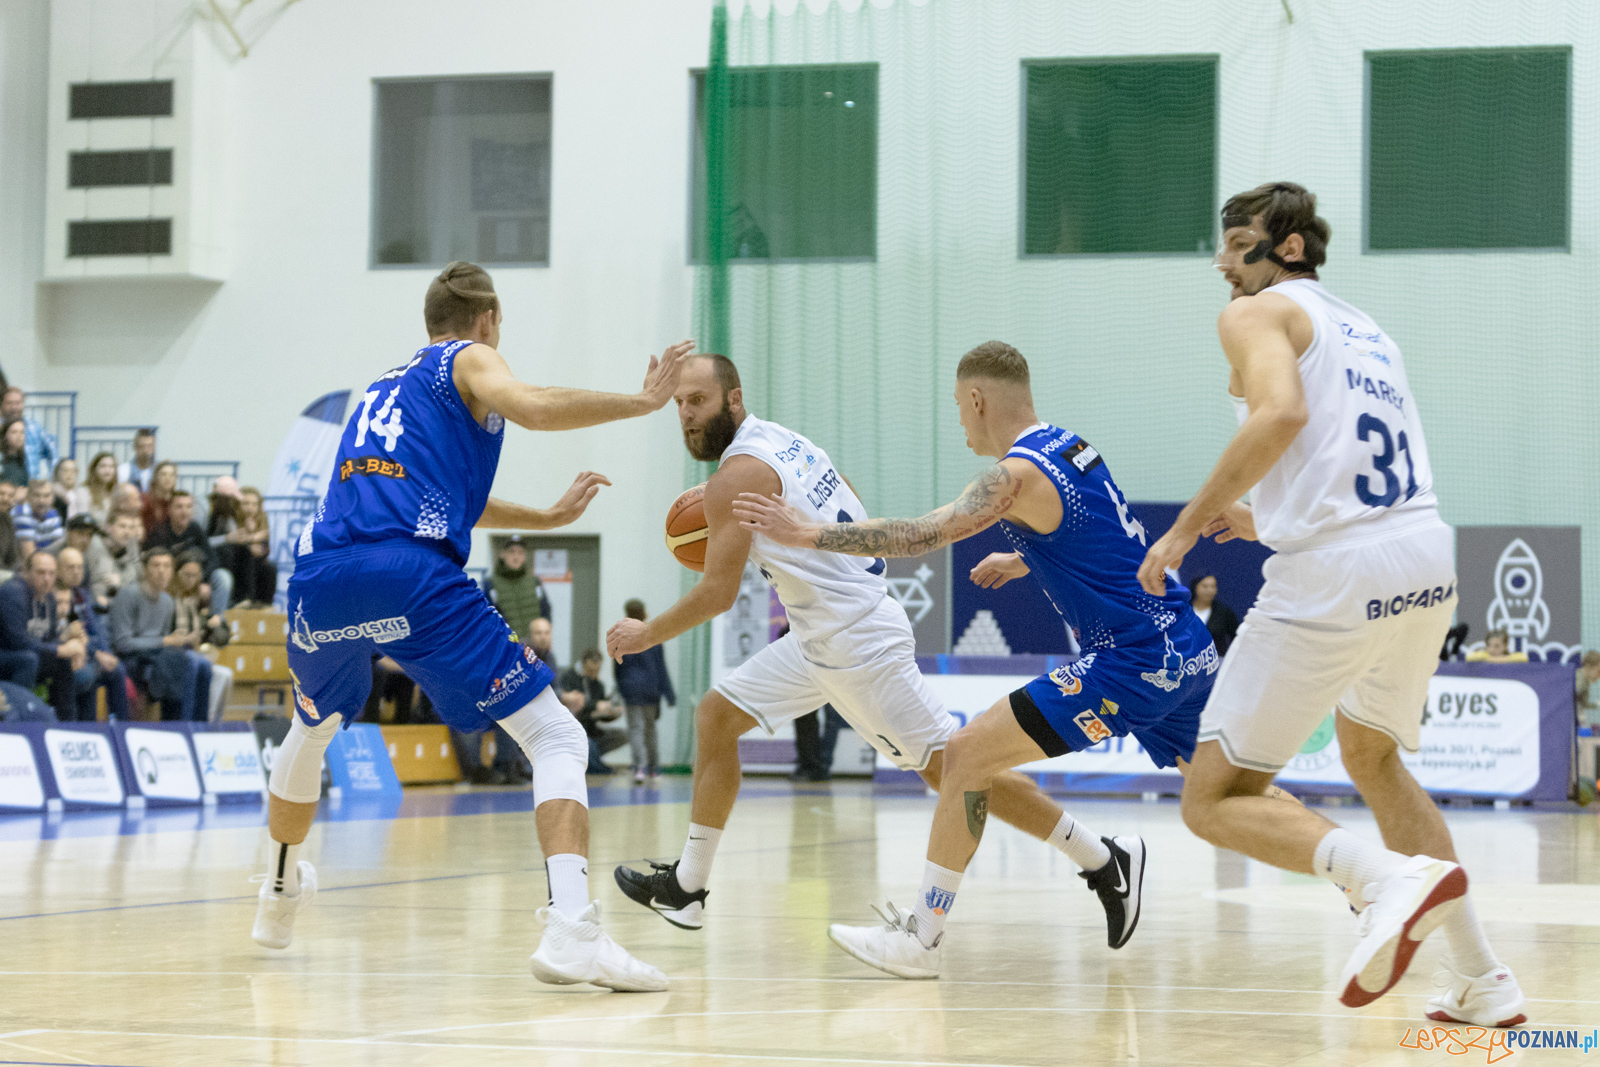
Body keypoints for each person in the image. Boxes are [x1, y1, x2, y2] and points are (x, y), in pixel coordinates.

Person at [1136, 182, 1524, 1026]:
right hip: (1422, 553)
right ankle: (1483, 977)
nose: (1222, 260)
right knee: (1373, 758)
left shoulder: (1255, 314)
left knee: (1212, 797)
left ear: (1291, 249)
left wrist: (1184, 529)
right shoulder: (1366, 328)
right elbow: (1326, 454)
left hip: (1336, 574)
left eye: (1238, 241)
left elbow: (1281, 413)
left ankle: (1385, 878)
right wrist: (1256, 515)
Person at [608, 353, 1129, 964]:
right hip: (819, 634)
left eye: (696, 400)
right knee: (718, 716)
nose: (686, 414)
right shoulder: (784, 441)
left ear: (733, 399)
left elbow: (718, 594)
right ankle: (688, 887)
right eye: (679, 404)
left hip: (854, 643)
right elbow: (848, 495)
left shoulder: (734, 478)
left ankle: (1100, 858)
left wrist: (648, 634)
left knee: (953, 771)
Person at [259, 259, 691, 992]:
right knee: (556, 734)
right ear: (487, 320)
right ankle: (572, 929)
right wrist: (641, 401)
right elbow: (533, 404)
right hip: (411, 577)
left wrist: (547, 517)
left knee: (313, 725)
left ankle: (275, 898)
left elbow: (443, 499)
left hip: (322, 580)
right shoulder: (470, 357)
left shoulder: (381, 392)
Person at [734, 342, 1217, 976]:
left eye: (959, 408)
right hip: (1184, 647)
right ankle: (1372, 880)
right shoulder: (1071, 446)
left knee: (962, 759)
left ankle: (922, 939)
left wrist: (807, 535)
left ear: (978, 399)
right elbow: (1110, 532)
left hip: (1129, 665)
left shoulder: (1012, 476)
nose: (960, 422)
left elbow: (921, 534)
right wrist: (1027, 558)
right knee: (1230, 798)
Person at [109, 545, 210, 722]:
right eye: (156, 565)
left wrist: (177, 641)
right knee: (188, 663)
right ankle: (180, 724)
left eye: (166, 566)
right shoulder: (128, 595)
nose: (161, 571)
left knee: (203, 665)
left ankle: (199, 726)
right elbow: (122, 643)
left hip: (158, 657)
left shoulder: (167, 601)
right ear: (144, 569)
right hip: (133, 659)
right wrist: (164, 641)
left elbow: (165, 642)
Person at [0, 551, 84, 718]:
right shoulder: (12, 592)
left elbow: (50, 638)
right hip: (6, 653)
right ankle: (19, 716)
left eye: (51, 573)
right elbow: (18, 641)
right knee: (29, 659)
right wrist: (60, 650)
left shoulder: (49, 599)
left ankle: (68, 725)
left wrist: (72, 649)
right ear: (27, 571)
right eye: (41, 572)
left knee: (63, 662)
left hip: (29, 653)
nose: (47, 579)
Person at [56, 546, 129, 721]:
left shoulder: (82, 594)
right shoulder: (56, 595)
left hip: (86, 653)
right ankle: (83, 727)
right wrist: (96, 654)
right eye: (70, 567)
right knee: (89, 674)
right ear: (59, 569)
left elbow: (95, 630)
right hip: (65, 657)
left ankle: (121, 727)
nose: (76, 572)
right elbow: (61, 634)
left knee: (116, 669)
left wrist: (104, 653)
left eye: (79, 567)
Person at [614, 599, 676, 783]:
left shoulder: (621, 638)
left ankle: (638, 768)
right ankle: (653, 769)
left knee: (635, 729)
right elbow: (661, 668)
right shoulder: (654, 636)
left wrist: (622, 688)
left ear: (626, 615)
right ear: (645, 614)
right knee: (650, 730)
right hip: (651, 690)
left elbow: (617, 668)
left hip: (631, 691)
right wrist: (669, 694)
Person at [144, 489, 233, 616]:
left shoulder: (195, 528)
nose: (184, 512)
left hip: (194, 577)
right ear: (169, 510)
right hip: (171, 582)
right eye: (179, 507)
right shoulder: (159, 532)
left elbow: (213, 559)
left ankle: (216, 622)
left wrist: (201, 580)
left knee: (223, 577)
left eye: (188, 507)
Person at [169, 550, 232, 721]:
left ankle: (208, 724)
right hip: (174, 651)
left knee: (225, 674)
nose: (191, 579)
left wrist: (214, 621)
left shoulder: (199, 600)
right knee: (196, 662)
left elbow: (222, 638)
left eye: (195, 575)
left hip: (194, 651)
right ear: (177, 573)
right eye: (186, 575)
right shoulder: (169, 596)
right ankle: (187, 722)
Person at [561, 649, 627, 775]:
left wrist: (612, 713)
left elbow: (600, 714)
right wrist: (596, 706)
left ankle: (592, 761)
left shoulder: (598, 685)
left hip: (592, 730)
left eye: (597, 670)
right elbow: (576, 707)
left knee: (623, 735)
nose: (594, 673)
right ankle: (596, 766)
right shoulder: (569, 679)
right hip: (576, 730)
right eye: (591, 670)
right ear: (584, 665)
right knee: (587, 744)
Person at [212, 485, 276, 608]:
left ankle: (265, 605)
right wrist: (250, 541)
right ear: (238, 505)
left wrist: (252, 537)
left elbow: (264, 548)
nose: (250, 508)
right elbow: (234, 542)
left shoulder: (261, 521)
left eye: (254, 504)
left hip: (256, 563)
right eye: (246, 503)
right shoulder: (230, 521)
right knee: (246, 553)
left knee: (270, 568)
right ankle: (245, 599)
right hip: (233, 563)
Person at [482, 534, 551, 644]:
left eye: (520, 552)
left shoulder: (534, 582)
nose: (516, 556)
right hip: (506, 647)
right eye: (511, 552)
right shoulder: (491, 584)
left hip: (534, 648)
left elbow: (546, 612)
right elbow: (489, 619)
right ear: (502, 554)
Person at [0, 388, 57, 480]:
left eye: (18, 403)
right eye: (9, 403)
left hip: (30, 486)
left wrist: (52, 479)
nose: (14, 407)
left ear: (23, 405)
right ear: (2, 405)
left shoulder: (34, 428)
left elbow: (53, 451)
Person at [1189, 574, 1240, 656]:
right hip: (1186, 662)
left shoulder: (1224, 612)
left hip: (1216, 662)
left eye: (1213, 587)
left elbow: (1237, 637)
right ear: (1195, 587)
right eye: (1205, 587)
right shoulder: (1183, 611)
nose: (1209, 590)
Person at [100, 510, 143, 604]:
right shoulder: (99, 546)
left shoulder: (131, 544)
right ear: (108, 528)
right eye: (122, 526)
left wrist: (121, 580)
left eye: (131, 527)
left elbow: (137, 571)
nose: (127, 532)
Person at [13, 479, 65, 556]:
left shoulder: (54, 515)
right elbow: (29, 556)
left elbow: (59, 547)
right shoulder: (21, 514)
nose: (41, 501)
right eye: (37, 495)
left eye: (46, 496)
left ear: (53, 498)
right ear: (28, 497)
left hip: (46, 559)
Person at [75, 451, 121, 526]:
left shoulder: (117, 492)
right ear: (94, 469)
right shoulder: (84, 492)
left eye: (111, 466)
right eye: (103, 466)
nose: (107, 470)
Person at [141, 461, 179, 533]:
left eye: (172, 475)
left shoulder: (177, 500)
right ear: (156, 477)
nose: (168, 478)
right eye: (163, 474)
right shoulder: (145, 499)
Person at [119, 428, 158, 494]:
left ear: (154, 448)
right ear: (135, 447)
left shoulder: (159, 471)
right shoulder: (124, 470)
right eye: (142, 446)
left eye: (149, 446)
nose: (146, 450)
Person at [0, 482, 22, 580]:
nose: (5, 499)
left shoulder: (8, 521)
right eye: (1, 494)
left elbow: (12, 556)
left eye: (10, 496)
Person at [0, 419, 30, 489]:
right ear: (5, 435)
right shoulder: (1, 457)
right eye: (14, 432)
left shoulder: (22, 458)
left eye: (22, 432)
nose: (19, 436)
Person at [1576, 651, 1600, 727]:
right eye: (1599, 671)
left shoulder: (1586, 682)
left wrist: (1597, 704)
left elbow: (1584, 703)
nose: (1599, 676)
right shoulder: (1577, 679)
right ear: (1588, 667)